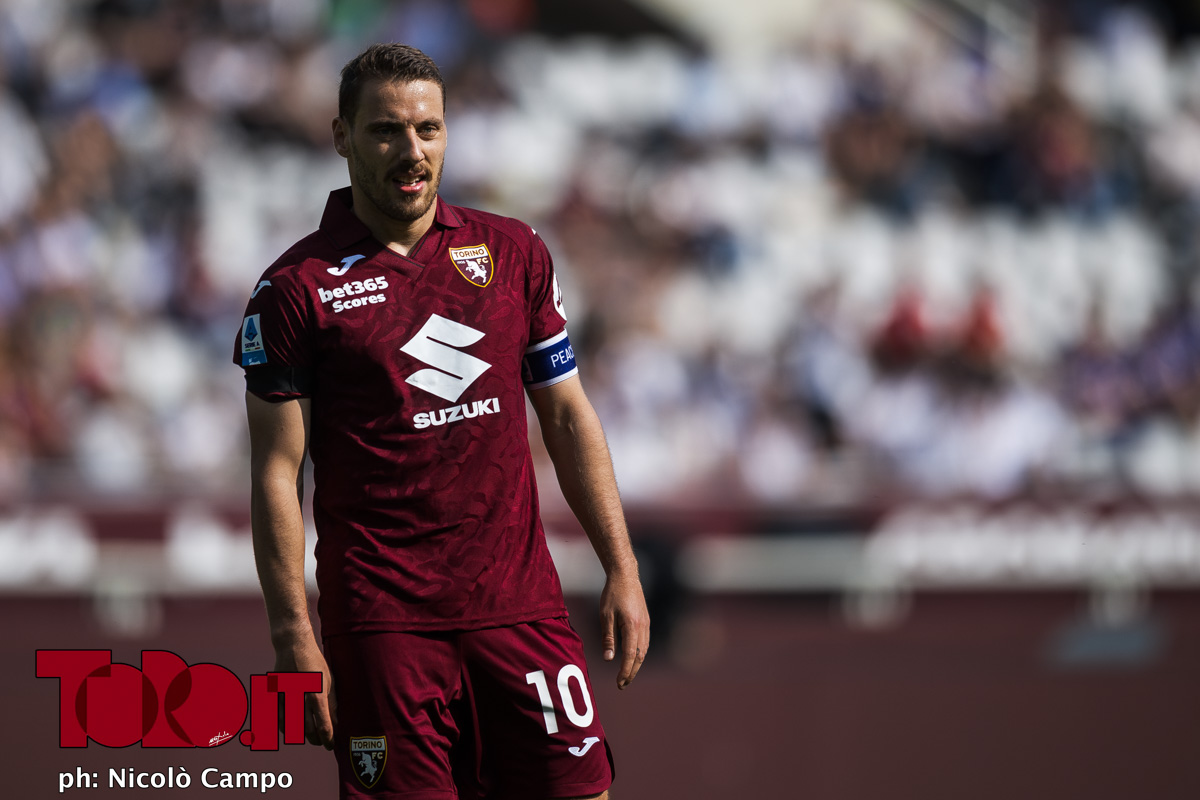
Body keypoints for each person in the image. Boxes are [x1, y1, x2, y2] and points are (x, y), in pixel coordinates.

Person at [233, 43, 649, 800]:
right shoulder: (294, 290)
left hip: (520, 606)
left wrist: (621, 566)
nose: (412, 150)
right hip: (384, 624)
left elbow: (566, 415)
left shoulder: (513, 251)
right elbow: (276, 473)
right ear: (342, 137)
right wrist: (292, 632)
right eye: (386, 130)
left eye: (428, 129)